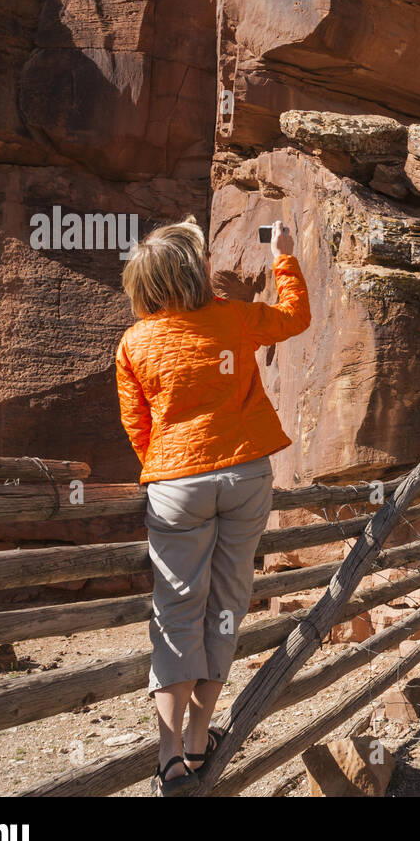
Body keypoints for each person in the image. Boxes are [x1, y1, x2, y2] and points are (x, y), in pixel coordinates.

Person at [115, 216, 310, 796]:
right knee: (227, 602)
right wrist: (284, 257)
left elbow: (137, 425)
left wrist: (168, 467)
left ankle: (170, 754)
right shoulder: (233, 317)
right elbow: (296, 318)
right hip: (246, 471)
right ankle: (202, 734)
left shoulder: (135, 342)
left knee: (178, 610)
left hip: (178, 481)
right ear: (192, 273)